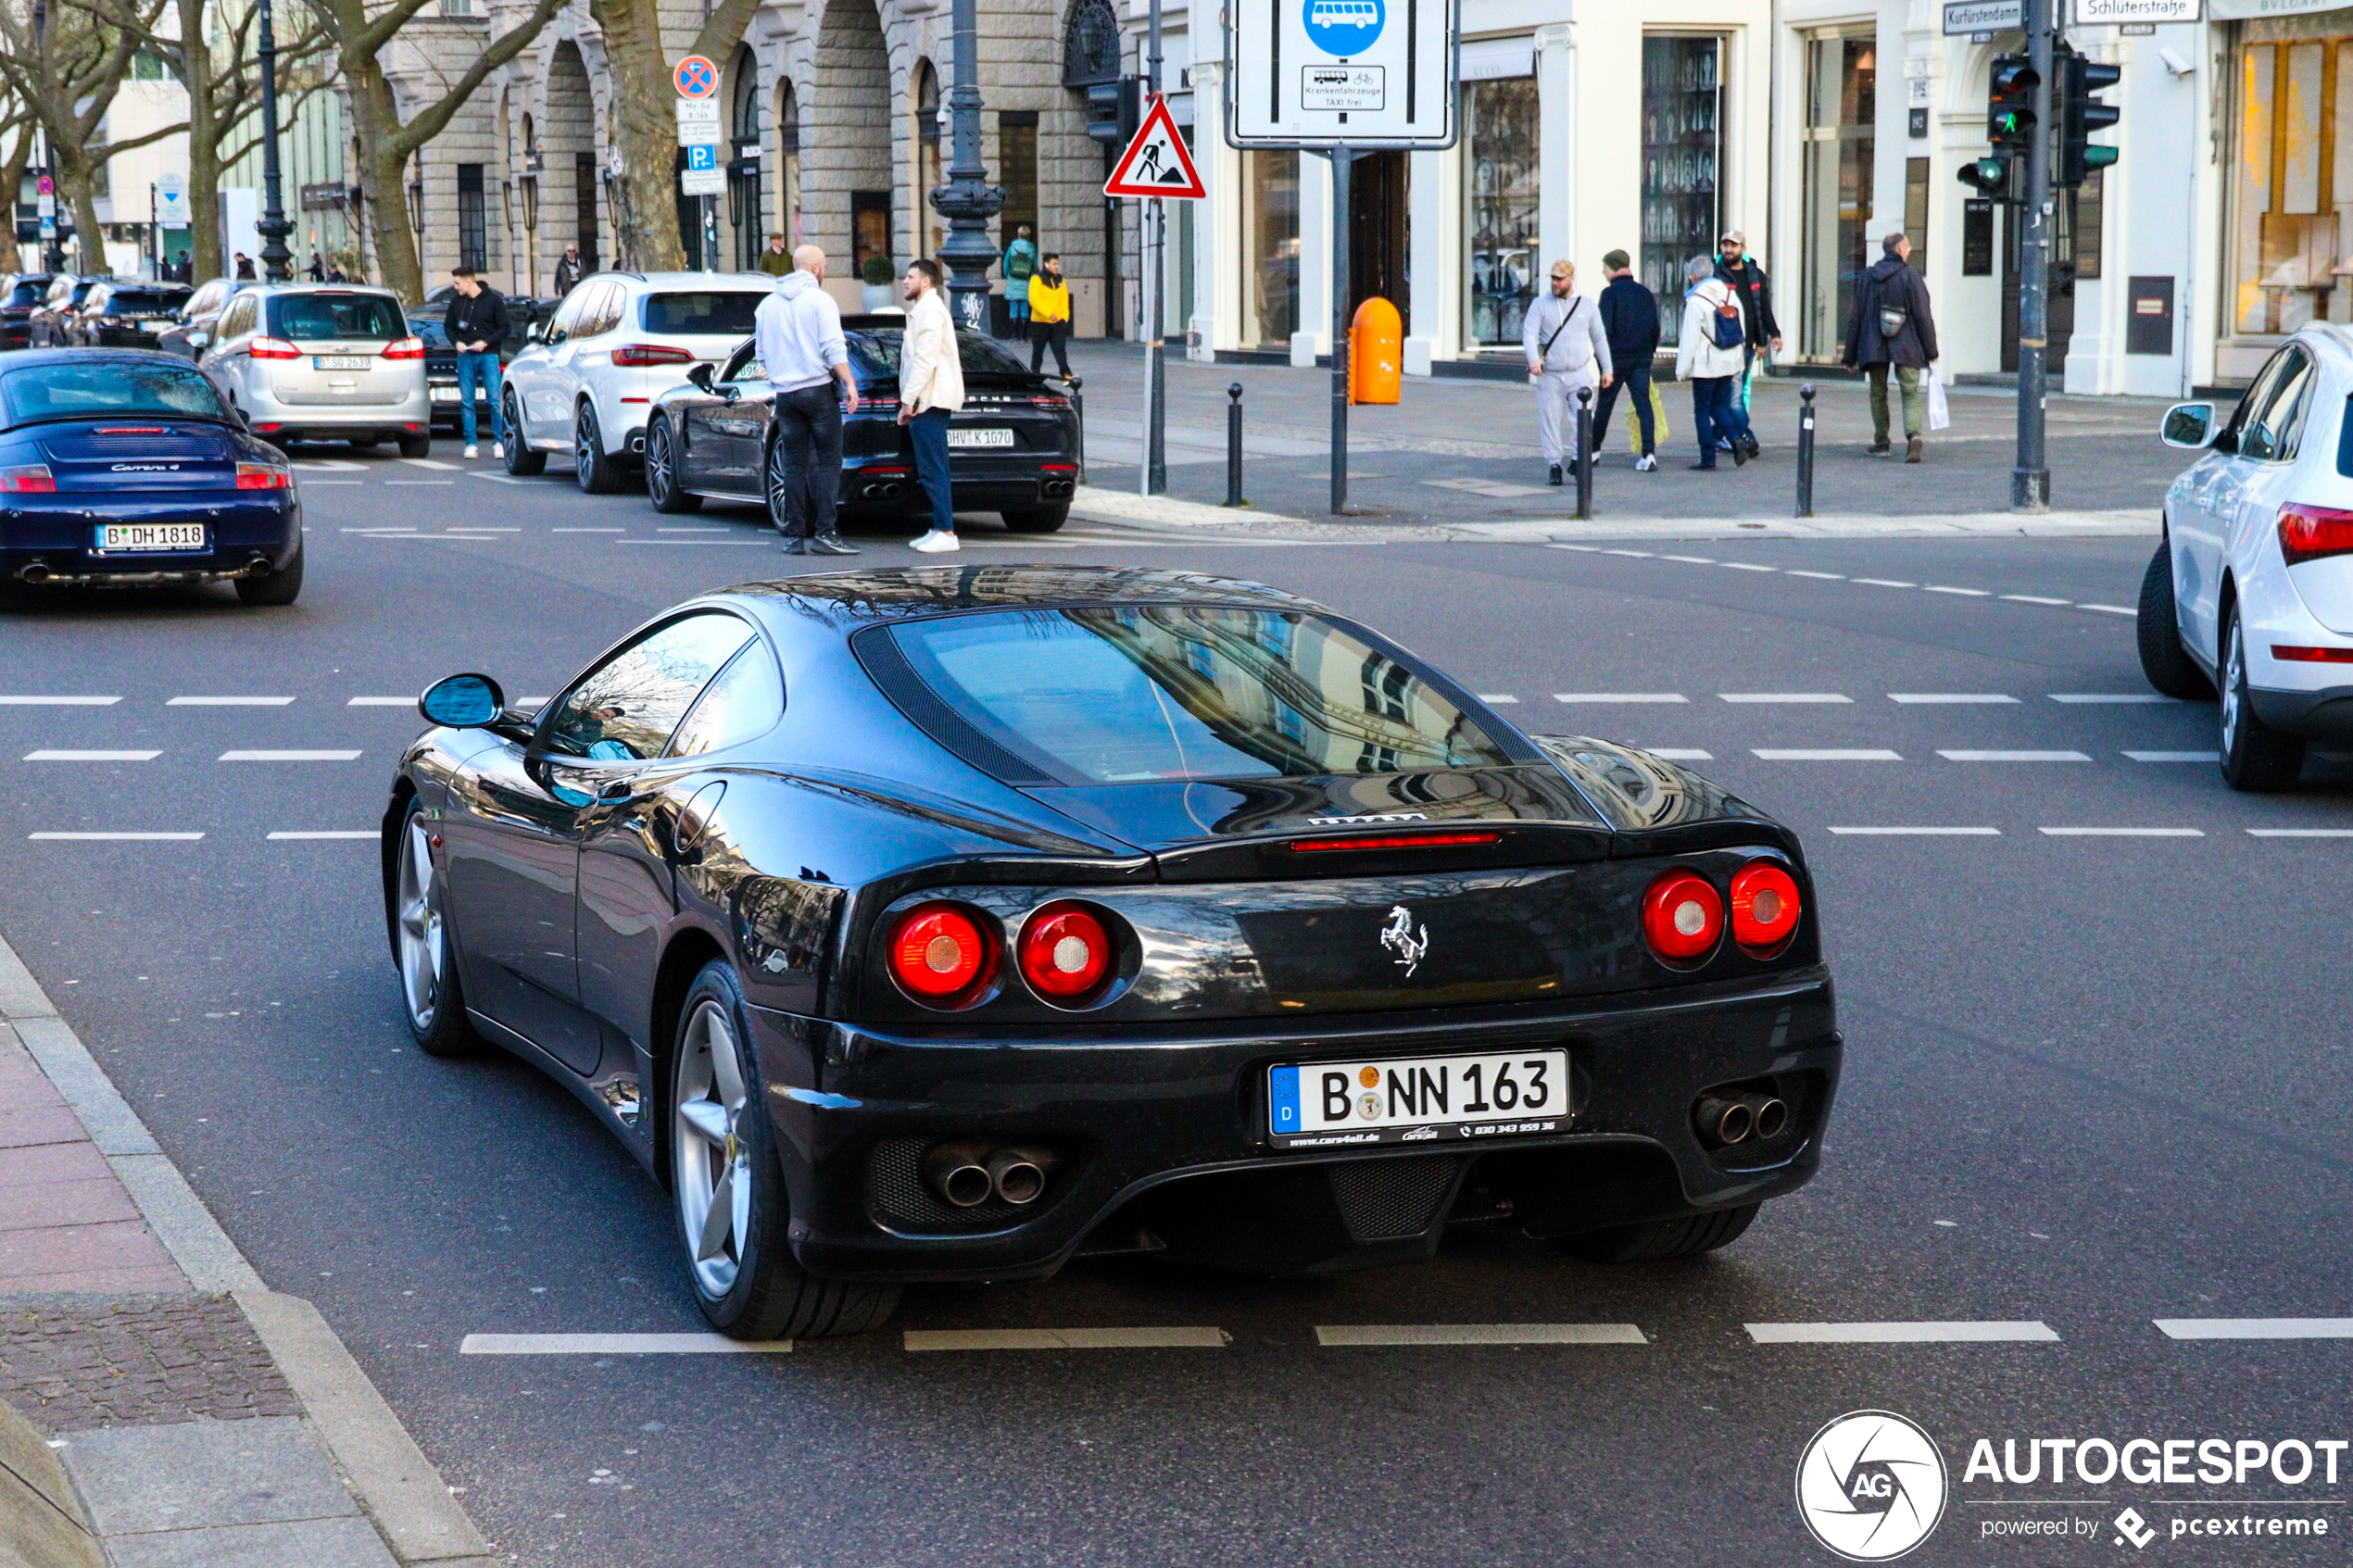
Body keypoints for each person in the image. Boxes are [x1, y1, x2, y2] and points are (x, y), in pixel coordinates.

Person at [754, 245, 862, 555]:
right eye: (824, 266)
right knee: (829, 461)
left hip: (785, 395)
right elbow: (833, 347)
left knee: (793, 464)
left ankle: (795, 536)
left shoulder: (766, 306)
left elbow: (761, 355)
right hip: (818, 392)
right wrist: (850, 382)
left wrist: (782, 373)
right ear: (814, 268)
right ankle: (826, 533)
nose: (824, 271)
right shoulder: (820, 300)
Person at [1843, 231, 1940, 463]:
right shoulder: (1910, 276)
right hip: (1907, 344)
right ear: (1899, 250)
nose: (1909, 251)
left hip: (1872, 344)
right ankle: (1913, 435)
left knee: (1878, 393)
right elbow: (1923, 315)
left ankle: (1882, 442)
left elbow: (1856, 316)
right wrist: (1931, 351)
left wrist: (1850, 355)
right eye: (1907, 248)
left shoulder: (1868, 277)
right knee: (1910, 393)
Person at [1520, 258, 1611, 487]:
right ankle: (1553, 464)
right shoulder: (1540, 305)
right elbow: (1529, 334)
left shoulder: (1587, 305)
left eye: (1559, 279)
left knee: (1583, 419)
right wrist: (1533, 359)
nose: (1555, 283)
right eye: (1553, 278)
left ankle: (1577, 457)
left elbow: (1599, 338)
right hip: (1550, 373)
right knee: (1549, 419)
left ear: (1571, 279)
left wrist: (1607, 369)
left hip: (1579, 372)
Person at [899, 258, 966, 555]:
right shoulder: (925, 310)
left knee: (933, 468)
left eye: (910, 277)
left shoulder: (928, 312)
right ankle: (939, 527)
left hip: (929, 400)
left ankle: (946, 531)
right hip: (928, 399)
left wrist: (907, 401)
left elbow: (924, 361)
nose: (905, 281)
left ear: (925, 282)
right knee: (931, 468)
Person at [1674, 254, 1753, 472]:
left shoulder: (1696, 301)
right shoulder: (1731, 296)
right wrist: (1740, 364)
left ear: (1693, 276)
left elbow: (1689, 339)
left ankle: (1708, 458)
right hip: (1729, 361)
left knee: (1702, 409)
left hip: (1706, 365)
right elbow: (1741, 332)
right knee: (1720, 405)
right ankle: (1736, 440)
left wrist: (1681, 370)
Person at [1592, 250, 1660, 472]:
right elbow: (1654, 329)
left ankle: (1593, 451)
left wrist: (1603, 364)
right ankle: (1648, 454)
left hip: (1616, 359)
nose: (1603, 271)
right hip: (1641, 358)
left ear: (1613, 267)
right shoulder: (1645, 293)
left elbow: (1604, 332)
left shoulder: (1609, 294)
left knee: (1604, 405)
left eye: (1605, 266)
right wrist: (1649, 353)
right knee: (1644, 406)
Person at [1714, 230, 1780, 431]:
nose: (1728, 250)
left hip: (1746, 345)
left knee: (1733, 395)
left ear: (1743, 249)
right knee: (1728, 395)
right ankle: (1735, 435)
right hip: (1723, 343)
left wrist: (1773, 335)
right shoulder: (1715, 273)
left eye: (1733, 246)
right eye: (1725, 245)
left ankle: (1738, 436)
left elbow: (1762, 308)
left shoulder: (1755, 275)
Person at [444, 267, 510, 460]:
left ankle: (499, 442)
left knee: (495, 400)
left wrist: (487, 342)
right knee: (467, 401)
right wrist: (456, 342)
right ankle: (471, 443)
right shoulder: (457, 302)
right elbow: (448, 326)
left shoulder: (493, 301)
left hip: (488, 354)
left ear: (469, 282)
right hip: (465, 355)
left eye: (458, 283)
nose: (456, 287)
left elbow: (505, 328)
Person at [1027, 253, 1072, 378]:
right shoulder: (1037, 279)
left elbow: (1064, 300)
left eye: (1057, 264)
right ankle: (1035, 374)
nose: (1057, 267)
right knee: (1038, 352)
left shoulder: (1061, 281)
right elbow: (1034, 300)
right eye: (1054, 264)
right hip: (1040, 322)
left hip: (1057, 323)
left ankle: (1066, 375)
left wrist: (1064, 318)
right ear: (1046, 264)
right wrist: (1048, 314)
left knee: (1060, 350)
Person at [1002, 224, 1038, 341]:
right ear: (1028, 236)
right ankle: (1023, 337)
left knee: (1013, 310)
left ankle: (1014, 336)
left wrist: (1007, 275)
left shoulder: (1012, 247)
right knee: (1024, 310)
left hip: (1013, 281)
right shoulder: (1031, 249)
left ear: (1018, 235)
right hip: (1025, 282)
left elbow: (1006, 264)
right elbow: (1034, 266)